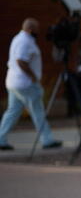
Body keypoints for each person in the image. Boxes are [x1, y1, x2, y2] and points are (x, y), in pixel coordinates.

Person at [0, 18, 63, 150]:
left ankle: (1, 138)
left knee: (12, 111)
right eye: (36, 30)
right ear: (30, 29)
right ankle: (47, 140)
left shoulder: (17, 39)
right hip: (25, 83)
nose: (38, 32)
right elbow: (20, 61)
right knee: (38, 111)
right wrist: (33, 77)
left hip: (13, 82)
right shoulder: (25, 42)